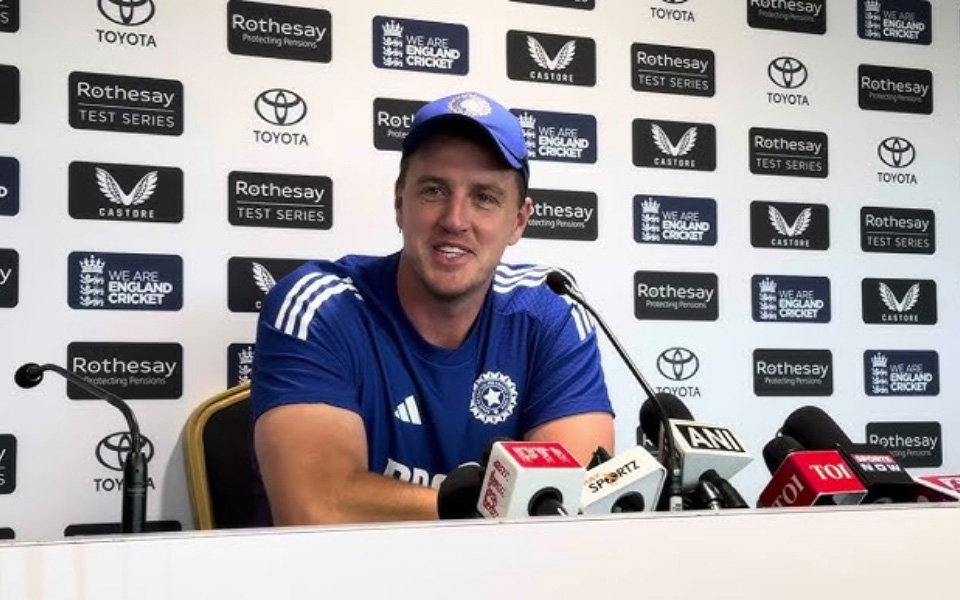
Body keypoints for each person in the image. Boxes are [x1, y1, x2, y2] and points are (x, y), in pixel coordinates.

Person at [250, 91, 614, 526]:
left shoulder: (550, 312)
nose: (455, 220)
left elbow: (570, 509)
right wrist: (474, 507)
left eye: (484, 197)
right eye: (434, 190)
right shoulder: (319, 307)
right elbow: (317, 508)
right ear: (400, 201)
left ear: (518, 221)